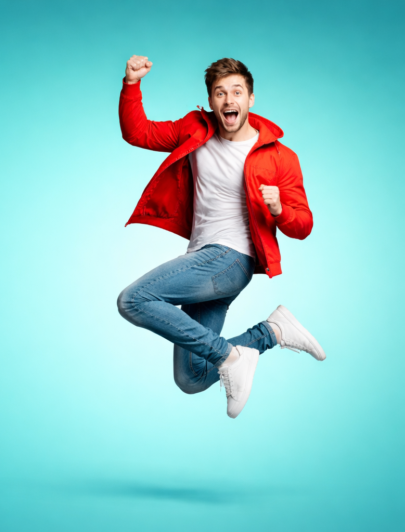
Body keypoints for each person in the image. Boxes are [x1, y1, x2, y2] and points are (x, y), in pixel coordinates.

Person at [116, 56, 324, 418]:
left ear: (251, 99)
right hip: (204, 259)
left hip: (232, 259)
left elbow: (303, 225)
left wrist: (279, 211)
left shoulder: (280, 157)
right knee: (192, 377)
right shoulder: (195, 129)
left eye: (237, 92)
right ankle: (270, 333)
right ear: (211, 101)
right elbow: (139, 133)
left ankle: (231, 356)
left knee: (134, 300)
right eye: (220, 93)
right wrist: (131, 85)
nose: (230, 100)